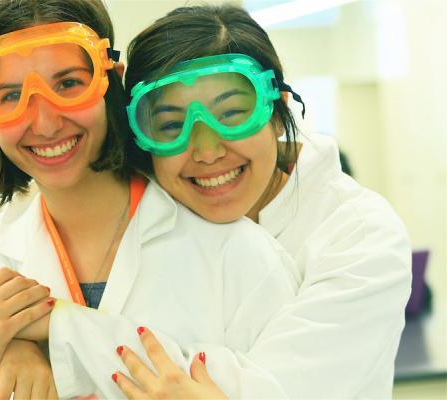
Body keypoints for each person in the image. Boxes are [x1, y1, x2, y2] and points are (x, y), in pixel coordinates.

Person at [0, 0, 299, 399]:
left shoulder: (238, 256)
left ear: (110, 80)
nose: (45, 123)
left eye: (68, 84)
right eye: (10, 96)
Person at [96, 4, 411, 399]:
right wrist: (23, 346)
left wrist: (65, 336)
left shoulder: (360, 235)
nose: (207, 151)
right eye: (172, 125)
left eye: (231, 114)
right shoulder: (142, 216)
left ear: (277, 112)